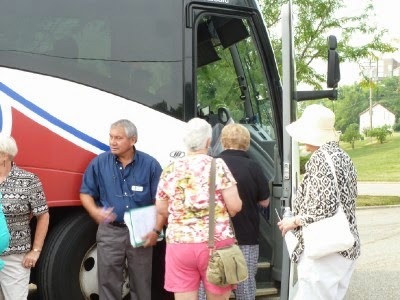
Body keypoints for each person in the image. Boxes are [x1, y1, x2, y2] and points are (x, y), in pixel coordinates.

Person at [277, 104, 360, 300]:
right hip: (345, 244)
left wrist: (293, 221)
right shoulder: (343, 157)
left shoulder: (320, 159)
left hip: (325, 250)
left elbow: (324, 206)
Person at [155, 117, 242, 300]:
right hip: (215, 245)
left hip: (179, 245)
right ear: (209, 141)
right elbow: (234, 206)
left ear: (185, 141)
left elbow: (162, 209)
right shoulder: (217, 165)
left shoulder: (170, 169)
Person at [80, 119, 164, 300]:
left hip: (142, 232)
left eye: (118, 138)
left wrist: (156, 230)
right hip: (110, 231)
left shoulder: (150, 165)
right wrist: (94, 211)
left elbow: (162, 201)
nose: (112, 142)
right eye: (111, 137)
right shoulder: (99, 163)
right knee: (108, 282)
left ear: (133, 140)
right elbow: (85, 193)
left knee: (141, 283)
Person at [218, 123, 270, 300]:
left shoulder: (212, 164)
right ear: (247, 142)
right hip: (246, 235)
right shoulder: (253, 166)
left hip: (216, 236)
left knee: (213, 283)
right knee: (245, 284)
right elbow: (265, 201)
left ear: (223, 141)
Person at [0, 134, 50, 300]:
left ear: (4, 155)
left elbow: (42, 216)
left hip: (14, 257)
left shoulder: (28, 180)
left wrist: (35, 251)